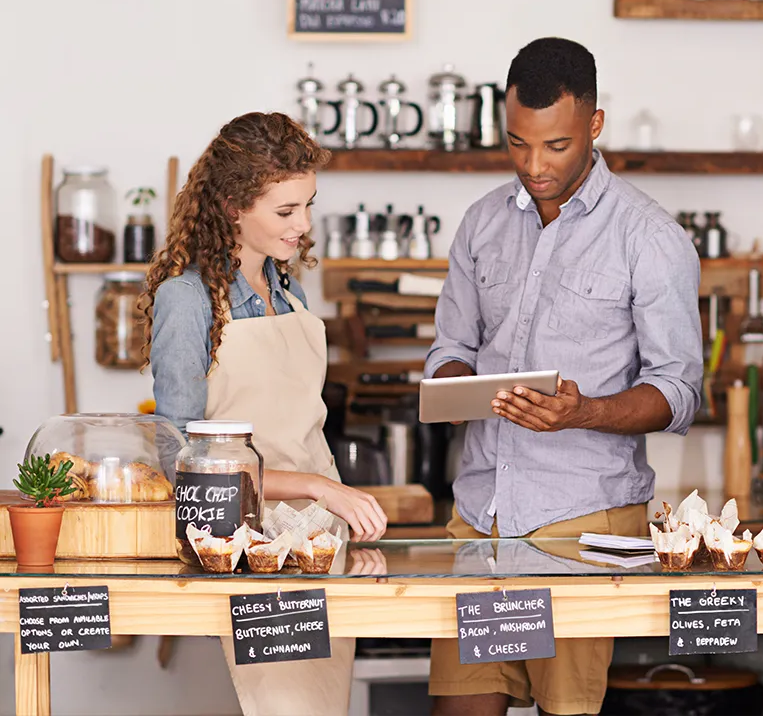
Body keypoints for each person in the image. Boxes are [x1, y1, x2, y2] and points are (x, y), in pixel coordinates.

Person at [425, 37, 703, 716]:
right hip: (481, 521)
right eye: (518, 144)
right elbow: (449, 349)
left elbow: (679, 391)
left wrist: (585, 412)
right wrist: (464, 386)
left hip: (583, 531)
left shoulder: (649, 237)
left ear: (595, 126)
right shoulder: (483, 222)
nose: (534, 165)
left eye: (555, 146)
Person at [143, 111, 388, 716]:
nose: (303, 226)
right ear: (231, 206)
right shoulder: (188, 299)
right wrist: (318, 487)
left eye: (308, 205)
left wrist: (334, 510)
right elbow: (184, 465)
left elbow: (305, 428)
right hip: (250, 545)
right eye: (285, 212)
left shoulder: (290, 293)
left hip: (318, 539)